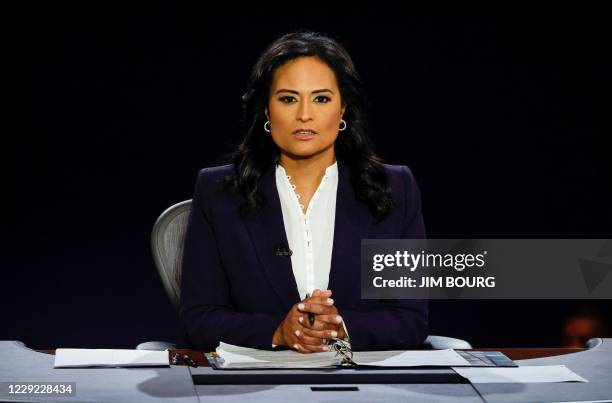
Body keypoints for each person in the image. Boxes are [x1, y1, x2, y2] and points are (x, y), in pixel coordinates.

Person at [179, 30, 428, 353]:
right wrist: (279, 332)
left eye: (321, 98)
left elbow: (411, 318)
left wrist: (337, 327)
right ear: (267, 110)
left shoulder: (396, 189)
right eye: (288, 98)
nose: (304, 114)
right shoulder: (218, 192)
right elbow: (199, 319)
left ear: (343, 111)